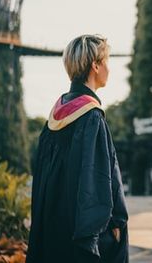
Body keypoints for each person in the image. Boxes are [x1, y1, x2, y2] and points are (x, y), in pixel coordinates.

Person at [27, 35, 129, 263]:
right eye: (106, 62)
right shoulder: (91, 117)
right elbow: (99, 178)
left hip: (54, 228)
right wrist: (113, 223)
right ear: (95, 65)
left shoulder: (53, 120)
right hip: (82, 234)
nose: (108, 69)